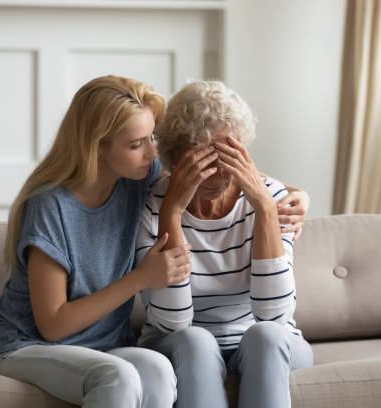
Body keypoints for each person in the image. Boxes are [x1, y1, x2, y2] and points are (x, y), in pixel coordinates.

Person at [0, 75, 309, 408]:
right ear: (96, 145)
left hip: (107, 346)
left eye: (152, 138)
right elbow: (53, 326)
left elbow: (222, 171)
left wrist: (295, 196)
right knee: (119, 376)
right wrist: (140, 278)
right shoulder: (51, 206)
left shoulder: (137, 179)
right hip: (32, 345)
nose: (154, 153)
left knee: (158, 368)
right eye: (137, 144)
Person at [136, 80, 313, 408]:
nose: (218, 174)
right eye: (202, 159)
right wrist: (172, 213)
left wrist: (263, 207)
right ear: (173, 158)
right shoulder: (153, 207)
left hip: (270, 343)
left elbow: (274, 316)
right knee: (194, 340)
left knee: (266, 335)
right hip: (180, 343)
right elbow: (172, 323)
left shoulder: (272, 198)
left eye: (227, 156)